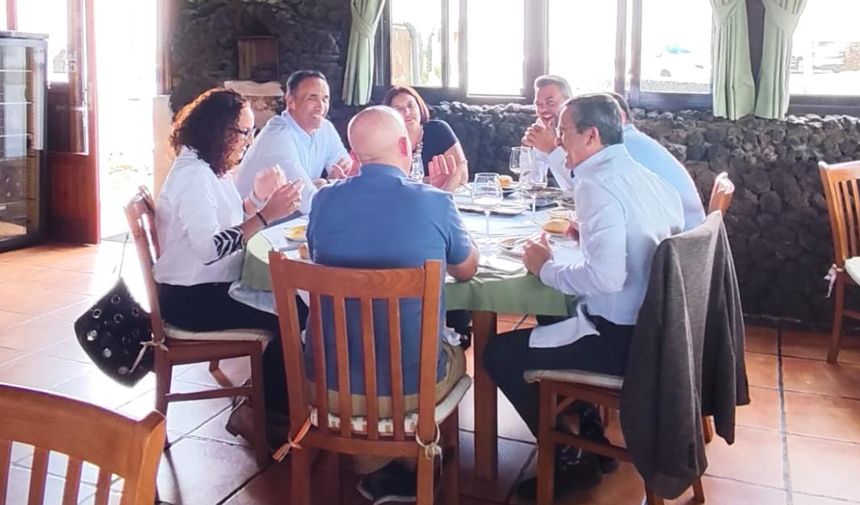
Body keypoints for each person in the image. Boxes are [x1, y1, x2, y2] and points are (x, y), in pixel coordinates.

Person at [484, 94, 684, 502]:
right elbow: (654, 233)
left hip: (623, 341)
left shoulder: (596, 184)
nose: (558, 140)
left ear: (591, 136)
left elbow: (607, 278)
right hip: (660, 331)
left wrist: (543, 267)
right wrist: (587, 237)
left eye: (563, 133)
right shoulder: (641, 173)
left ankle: (568, 460)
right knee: (551, 320)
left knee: (497, 355)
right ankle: (587, 428)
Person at [307, 106, 479, 504]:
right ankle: (418, 458)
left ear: (354, 153)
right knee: (457, 354)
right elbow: (467, 270)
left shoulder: (324, 201)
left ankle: (382, 467)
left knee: (358, 349)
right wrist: (445, 201)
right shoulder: (434, 202)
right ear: (406, 145)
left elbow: (318, 254)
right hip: (409, 392)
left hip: (328, 385)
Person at [154, 88, 304, 440]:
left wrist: (256, 200)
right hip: (190, 299)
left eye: (251, 132)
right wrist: (266, 215)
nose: (248, 141)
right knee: (293, 314)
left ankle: (268, 403)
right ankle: (262, 414)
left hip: (207, 287)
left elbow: (230, 221)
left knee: (295, 306)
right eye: (243, 132)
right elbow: (211, 248)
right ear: (217, 129)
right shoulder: (193, 175)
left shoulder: (208, 167)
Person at [234, 70, 351, 215]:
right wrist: (329, 184)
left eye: (325, 99)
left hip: (288, 218)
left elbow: (350, 176)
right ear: (290, 102)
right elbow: (309, 203)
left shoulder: (325, 129)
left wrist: (328, 185)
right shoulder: (277, 136)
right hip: (251, 225)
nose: (321, 106)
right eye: (312, 98)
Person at [608, 91, 706, 231]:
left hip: (679, 242)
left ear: (621, 117)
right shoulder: (634, 140)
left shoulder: (623, 146)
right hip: (692, 234)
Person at [382, 85, 469, 191]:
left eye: (411, 106)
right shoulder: (384, 138)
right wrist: (429, 181)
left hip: (439, 194)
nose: (407, 112)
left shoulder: (439, 129)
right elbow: (383, 180)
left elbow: (463, 175)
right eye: (398, 109)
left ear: (419, 107)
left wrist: (414, 182)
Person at [522, 75, 574, 191]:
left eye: (550, 103)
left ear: (568, 102)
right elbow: (532, 182)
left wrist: (552, 149)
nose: (543, 110)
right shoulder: (542, 126)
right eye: (538, 104)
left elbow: (580, 185)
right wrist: (527, 150)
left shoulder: (583, 130)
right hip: (564, 204)